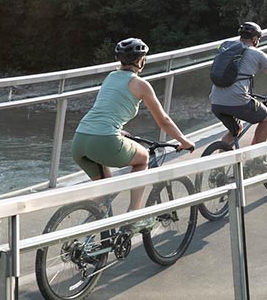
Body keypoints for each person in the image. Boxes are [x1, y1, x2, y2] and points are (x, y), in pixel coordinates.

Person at [69, 37, 194, 231]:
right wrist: (184, 141)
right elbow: (163, 121)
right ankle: (134, 215)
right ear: (141, 60)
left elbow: (105, 110)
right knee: (143, 158)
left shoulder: (111, 76)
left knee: (105, 191)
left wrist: (117, 131)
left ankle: (86, 234)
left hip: (80, 139)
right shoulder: (140, 84)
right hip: (104, 140)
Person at [208, 21, 267, 151]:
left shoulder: (226, 47)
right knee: (266, 117)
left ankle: (219, 161)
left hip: (215, 101)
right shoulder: (258, 54)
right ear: (256, 39)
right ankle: (257, 159)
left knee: (236, 129)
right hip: (238, 100)